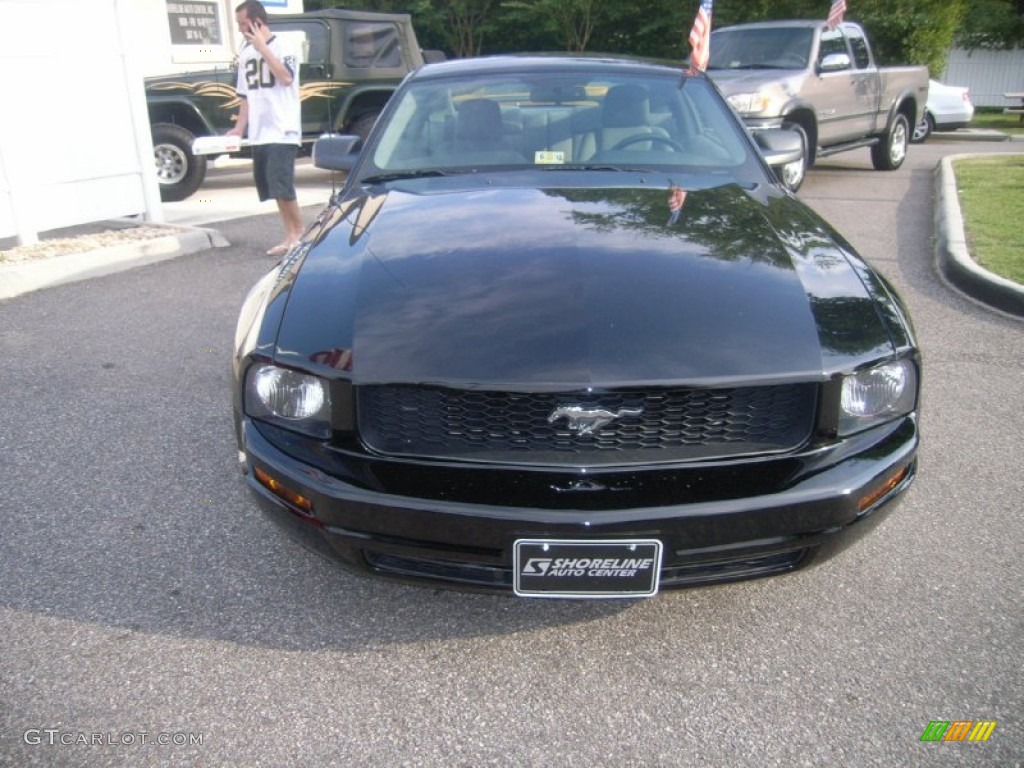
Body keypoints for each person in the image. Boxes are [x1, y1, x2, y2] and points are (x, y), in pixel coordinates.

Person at [227, 1, 303, 257]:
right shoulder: (246, 54)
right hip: (260, 132)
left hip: (284, 128)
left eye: (242, 24)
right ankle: (289, 234)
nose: (240, 29)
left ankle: (299, 234)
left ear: (257, 21)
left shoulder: (285, 46)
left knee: (282, 184)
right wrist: (239, 128)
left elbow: (286, 77)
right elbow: (244, 96)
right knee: (272, 187)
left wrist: (263, 48)